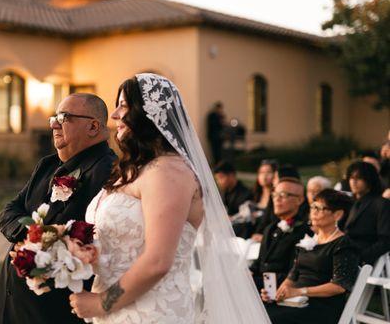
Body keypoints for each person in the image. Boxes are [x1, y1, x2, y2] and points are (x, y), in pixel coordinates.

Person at [70, 74, 269, 323]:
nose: (114, 115)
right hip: (118, 311)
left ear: (146, 113)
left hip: (151, 312)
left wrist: (102, 303)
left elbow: (158, 261)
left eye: (123, 105)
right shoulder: (136, 170)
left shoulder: (169, 171)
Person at [0, 93, 116, 324]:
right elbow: (9, 211)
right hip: (8, 301)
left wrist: (36, 241)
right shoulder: (47, 165)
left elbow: (83, 234)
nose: (54, 124)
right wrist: (30, 237)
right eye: (54, 117)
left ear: (93, 126)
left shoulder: (107, 171)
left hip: (51, 308)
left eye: (64, 117)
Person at [263, 189, 358, 324]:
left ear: (337, 215)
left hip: (320, 307)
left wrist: (299, 291)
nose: (313, 211)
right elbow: (293, 274)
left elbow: (339, 286)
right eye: (312, 207)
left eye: (319, 208)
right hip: (295, 302)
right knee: (255, 309)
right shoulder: (311, 240)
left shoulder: (344, 244)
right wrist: (278, 293)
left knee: (269, 318)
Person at [251, 178, 310, 290]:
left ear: (300, 200)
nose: (277, 199)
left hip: (281, 291)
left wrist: (253, 282)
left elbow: (294, 275)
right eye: (275, 194)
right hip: (259, 288)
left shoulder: (305, 232)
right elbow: (259, 264)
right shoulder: (270, 228)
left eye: (283, 195)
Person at [343, 160, 390, 265]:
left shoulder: (382, 204)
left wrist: (361, 257)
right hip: (346, 255)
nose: (353, 182)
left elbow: (385, 240)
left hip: (366, 262)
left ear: (369, 180)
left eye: (358, 178)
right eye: (351, 178)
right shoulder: (350, 203)